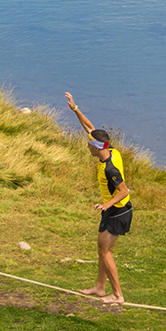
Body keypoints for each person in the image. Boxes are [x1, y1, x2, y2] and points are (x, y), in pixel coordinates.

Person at [65, 92, 129, 307]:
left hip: (118, 211)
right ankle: (100, 287)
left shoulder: (110, 169)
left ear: (97, 147)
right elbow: (89, 127)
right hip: (110, 210)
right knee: (102, 250)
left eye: (89, 144)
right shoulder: (110, 150)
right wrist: (75, 109)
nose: (87, 146)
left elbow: (124, 191)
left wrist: (106, 205)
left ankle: (118, 295)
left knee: (106, 252)